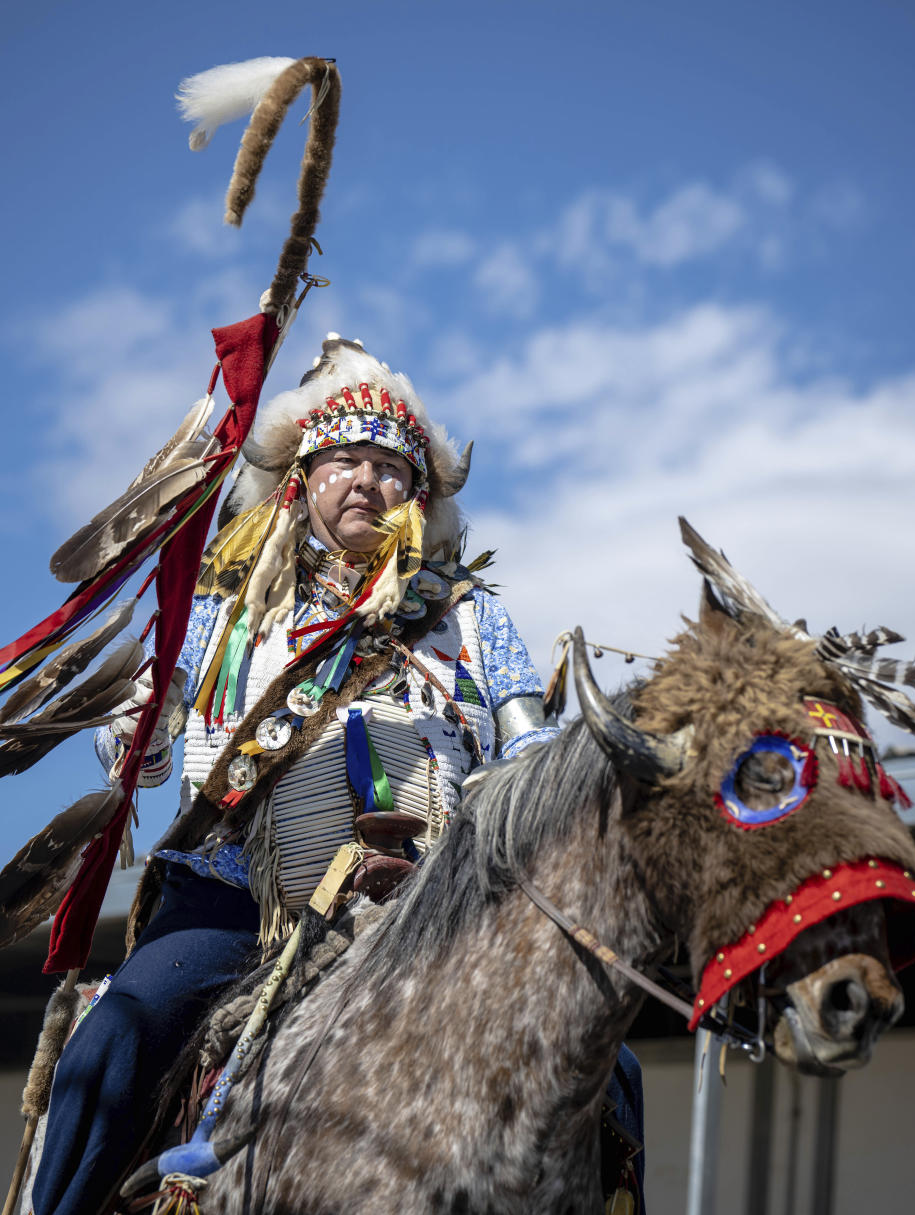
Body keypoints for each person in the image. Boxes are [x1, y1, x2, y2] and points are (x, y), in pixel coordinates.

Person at [29, 334, 558, 1215]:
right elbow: (148, 763)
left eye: (391, 466)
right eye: (343, 459)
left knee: (603, 1062)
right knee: (115, 1039)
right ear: (298, 482)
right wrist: (138, 728)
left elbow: (533, 759)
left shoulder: (472, 621)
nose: (367, 479)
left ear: (418, 497)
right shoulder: (216, 615)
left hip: (441, 910)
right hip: (238, 901)